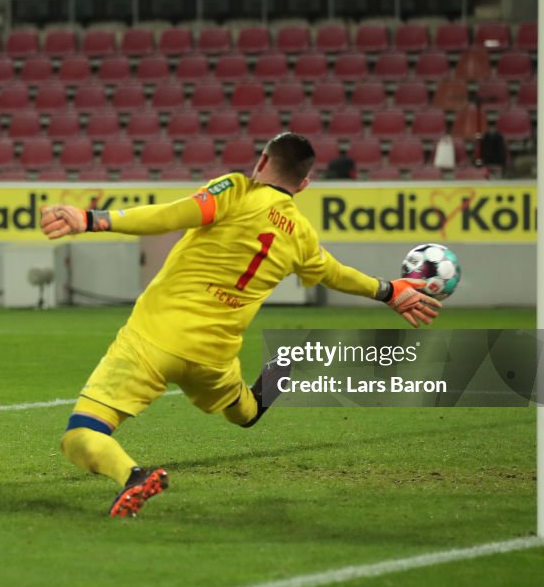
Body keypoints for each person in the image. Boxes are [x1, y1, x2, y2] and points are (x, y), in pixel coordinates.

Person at [39, 132, 442, 517]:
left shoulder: (235, 190)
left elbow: (170, 215)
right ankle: (285, 366)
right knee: (245, 413)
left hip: (152, 341)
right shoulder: (300, 234)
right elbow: (335, 273)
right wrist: (389, 291)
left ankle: (133, 476)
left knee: (81, 433)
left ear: (262, 160)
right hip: (212, 356)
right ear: (303, 185)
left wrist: (92, 219)